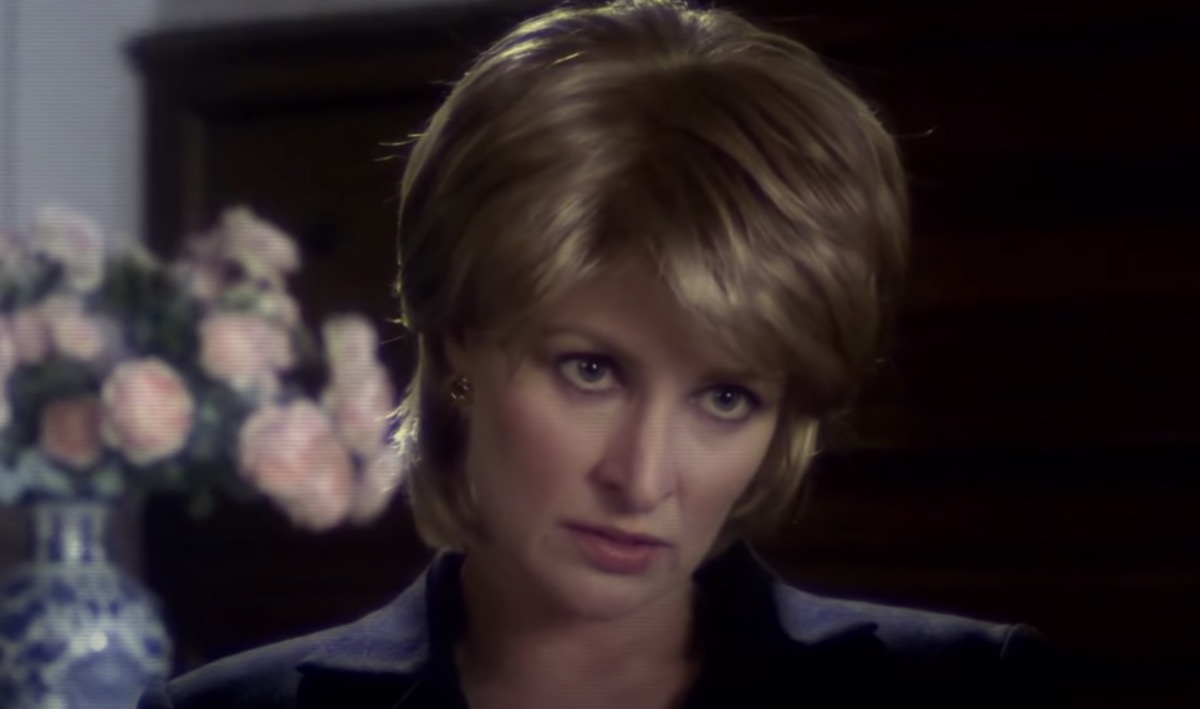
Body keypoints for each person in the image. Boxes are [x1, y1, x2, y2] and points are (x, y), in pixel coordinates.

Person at [138, 0, 1060, 707]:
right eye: (592, 370)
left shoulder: (961, 693)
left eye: (727, 397)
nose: (643, 477)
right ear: (459, 339)